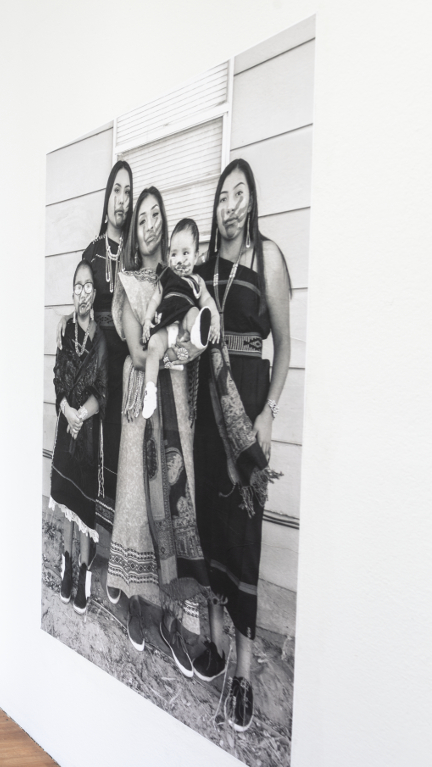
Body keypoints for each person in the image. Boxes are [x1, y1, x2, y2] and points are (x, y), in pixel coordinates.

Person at [192, 159, 290, 731]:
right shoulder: (203, 267)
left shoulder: (267, 258)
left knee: (244, 537)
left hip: (248, 418)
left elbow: (285, 346)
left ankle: (245, 671)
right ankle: (214, 640)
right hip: (206, 417)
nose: (230, 205)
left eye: (239, 195)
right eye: (222, 196)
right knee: (206, 528)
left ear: (250, 203)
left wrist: (269, 414)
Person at [107, 187, 209, 674]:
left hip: (176, 399)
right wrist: (172, 351)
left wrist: (179, 347)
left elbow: (199, 334)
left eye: (155, 216)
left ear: (164, 224)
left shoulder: (180, 278)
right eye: (141, 218)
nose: (148, 223)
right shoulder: (126, 282)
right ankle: (136, 602)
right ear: (134, 229)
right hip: (140, 398)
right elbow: (134, 344)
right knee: (135, 497)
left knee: (173, 493)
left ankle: (173, 612)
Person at [80, 162, 133, 600]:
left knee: (121, 452)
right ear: (107, 197)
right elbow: (80, 304)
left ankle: (118, 555)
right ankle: (94, 545)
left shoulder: (136, 252)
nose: (122, 199)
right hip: (98, 359)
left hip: (128, 365)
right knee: (94, 449)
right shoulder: (93, 252)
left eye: (128, 192)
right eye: (117, 190)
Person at [50, 261, 107, 614]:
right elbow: (58, 380)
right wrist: (66, 411)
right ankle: (67, 562)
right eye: (77, 286)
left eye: (88, 286)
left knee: (84, 507)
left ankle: (84, 570)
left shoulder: (100, 339)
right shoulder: (64, 331)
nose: (82, 292)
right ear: (72, 292)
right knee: (67, 499)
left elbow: (102, 391)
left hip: (87, 434)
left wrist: (80, 414)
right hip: (65, 424)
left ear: (94, 293)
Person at [139, 218, 221, 418]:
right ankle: (149, 391)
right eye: (174, 254)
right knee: (152, 347)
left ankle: (197, 335)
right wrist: (148, 320)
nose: (180, 260)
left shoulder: (196, 280)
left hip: (185, 323)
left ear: (195, 257)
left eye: (185, 253)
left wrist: (216, 322)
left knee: (194, 313)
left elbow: (208, 302)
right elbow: (154, 300)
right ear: (168, 257)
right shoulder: (166, 277)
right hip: (166, 325)